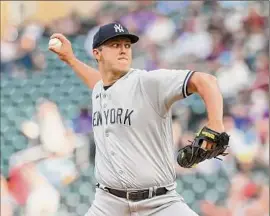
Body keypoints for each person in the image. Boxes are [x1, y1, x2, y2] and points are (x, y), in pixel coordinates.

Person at [49, 22, 225, 216]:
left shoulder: (148, 83)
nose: (123, 50)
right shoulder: (100, 89)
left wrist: (215, 124)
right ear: (97, 53)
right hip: (108, 203)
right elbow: (97, 81)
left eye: (127, 45)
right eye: (115, 45)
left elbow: (206, 81)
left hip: (159, 203)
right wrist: (70, 59)